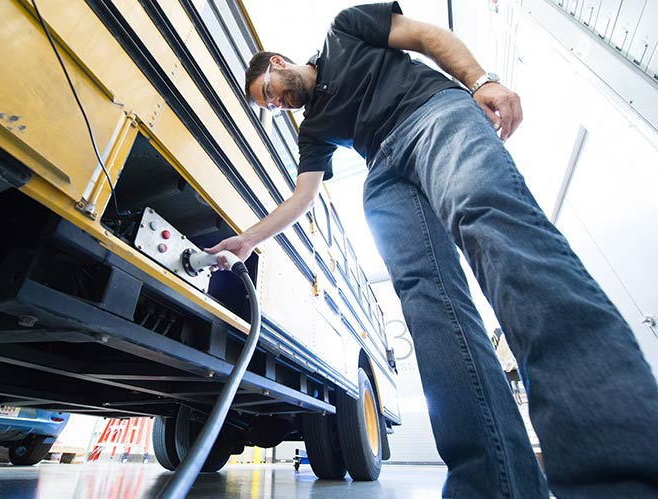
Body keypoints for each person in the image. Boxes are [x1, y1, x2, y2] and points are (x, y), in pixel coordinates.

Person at [207, 2, 658, 497]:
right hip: (384, 170)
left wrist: (480, 80)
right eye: (268, 108)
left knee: (490, 223)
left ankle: (618, 469)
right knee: (429, 307)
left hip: (434, 115)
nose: (276, 105)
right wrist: (247, 240)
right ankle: (491, 484)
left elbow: (424, 36)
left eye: (269, 94)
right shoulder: (312, 130)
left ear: (276, 63)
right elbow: (303, 196)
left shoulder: (344, 30)